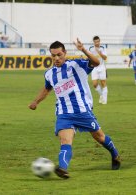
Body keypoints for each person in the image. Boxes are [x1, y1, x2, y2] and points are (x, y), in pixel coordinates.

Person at [29, 39, 121, 179]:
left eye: (59, 54)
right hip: (64, 113)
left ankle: (115, 155)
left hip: (82, 110)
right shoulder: (49, 74)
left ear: (64, 53)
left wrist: (83, 49)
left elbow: (96, 63)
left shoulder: (77, 65)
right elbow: (47, 89)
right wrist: (36, 101)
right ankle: (63, 169)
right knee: (65, 141)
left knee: (100, 137)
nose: (56, 58)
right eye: (53, 56)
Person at [89, 36, 108, 104]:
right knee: (94, 84)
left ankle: (104, 100)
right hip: (94, 68)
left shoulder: (103, 48)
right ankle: (101, 95)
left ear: (100, 41)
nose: (97, 43)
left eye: (98, 41)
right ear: (93, 42)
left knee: (103, 82)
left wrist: (100, 53)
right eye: (96, 42)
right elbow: (89, 56)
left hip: (102, 67)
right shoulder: (91, 48)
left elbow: (105, 58)